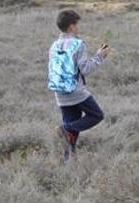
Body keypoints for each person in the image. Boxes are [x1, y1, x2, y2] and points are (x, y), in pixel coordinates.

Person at [48, 10, 109, 164]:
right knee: (97, 115)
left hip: (60, 93)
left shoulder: (54, 45)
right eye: (77, 24)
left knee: (71, 136)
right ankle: (65, 129)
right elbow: (86, 69)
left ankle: (67, 165)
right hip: (76, 92)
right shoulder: (78, 44)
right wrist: (100, 56)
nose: (78, 27)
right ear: (71, 26)